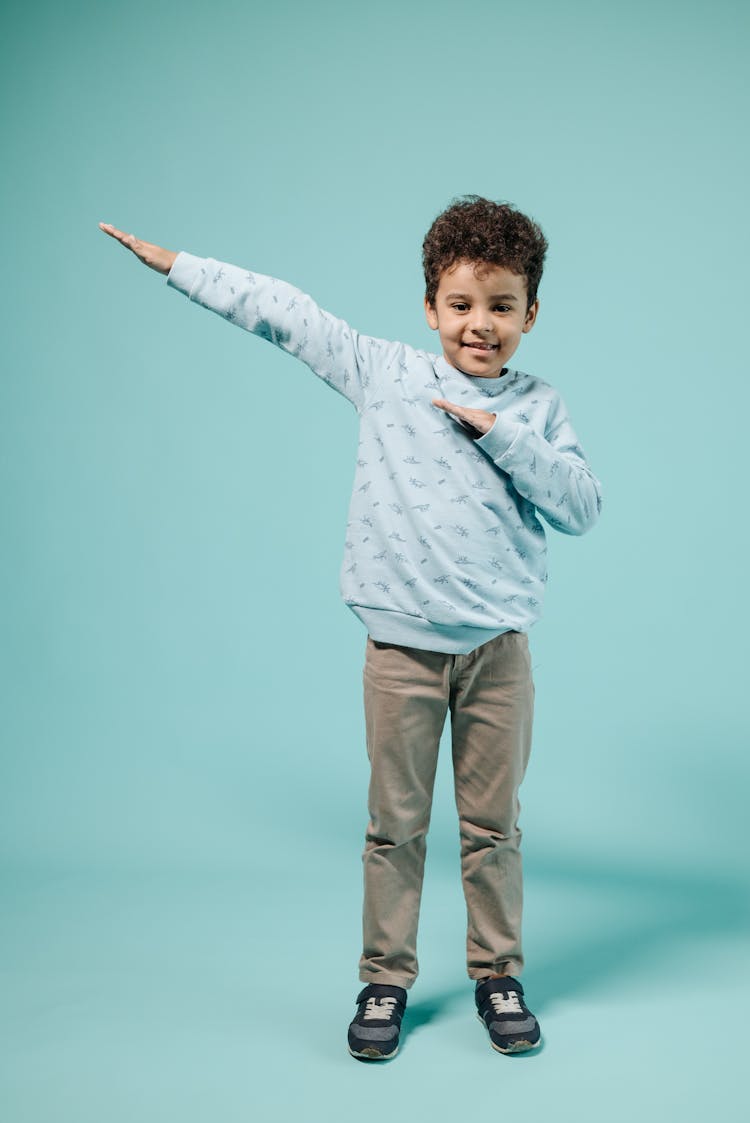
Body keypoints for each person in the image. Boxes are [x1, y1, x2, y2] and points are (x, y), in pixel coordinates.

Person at [99, 196, 602, 1060]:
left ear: (531, 311)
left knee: (493, 828)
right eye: (460, 304)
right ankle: (385, 978)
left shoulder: (539, 406)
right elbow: (285, 315)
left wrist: (500, 434)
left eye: (501, 306)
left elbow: (582, 506)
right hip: (401, 650)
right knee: (395, 824)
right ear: (429, 306)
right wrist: (179, 265)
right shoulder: (385, 372)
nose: (479, 325)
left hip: (499, 655)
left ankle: (497, 972)